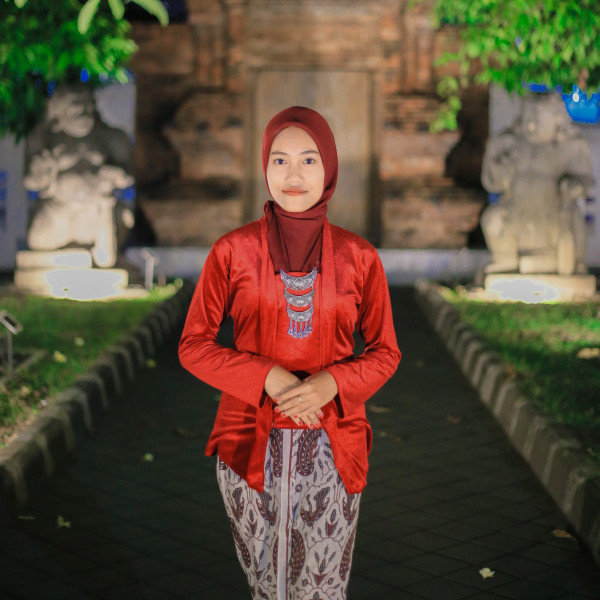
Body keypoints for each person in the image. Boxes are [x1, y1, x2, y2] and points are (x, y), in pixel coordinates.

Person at [179, 106, 401, 600]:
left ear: (329, 169)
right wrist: (265, 376)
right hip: (248, 446)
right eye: (279, 160)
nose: (293, 174)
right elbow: (193, 346)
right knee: (265, 587)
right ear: (265, 167)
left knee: (321, 588)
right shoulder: (232, 251)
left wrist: (332, 383)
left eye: (308, 160)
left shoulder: (360, 257)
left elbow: (386, 352)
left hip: (332, 446)